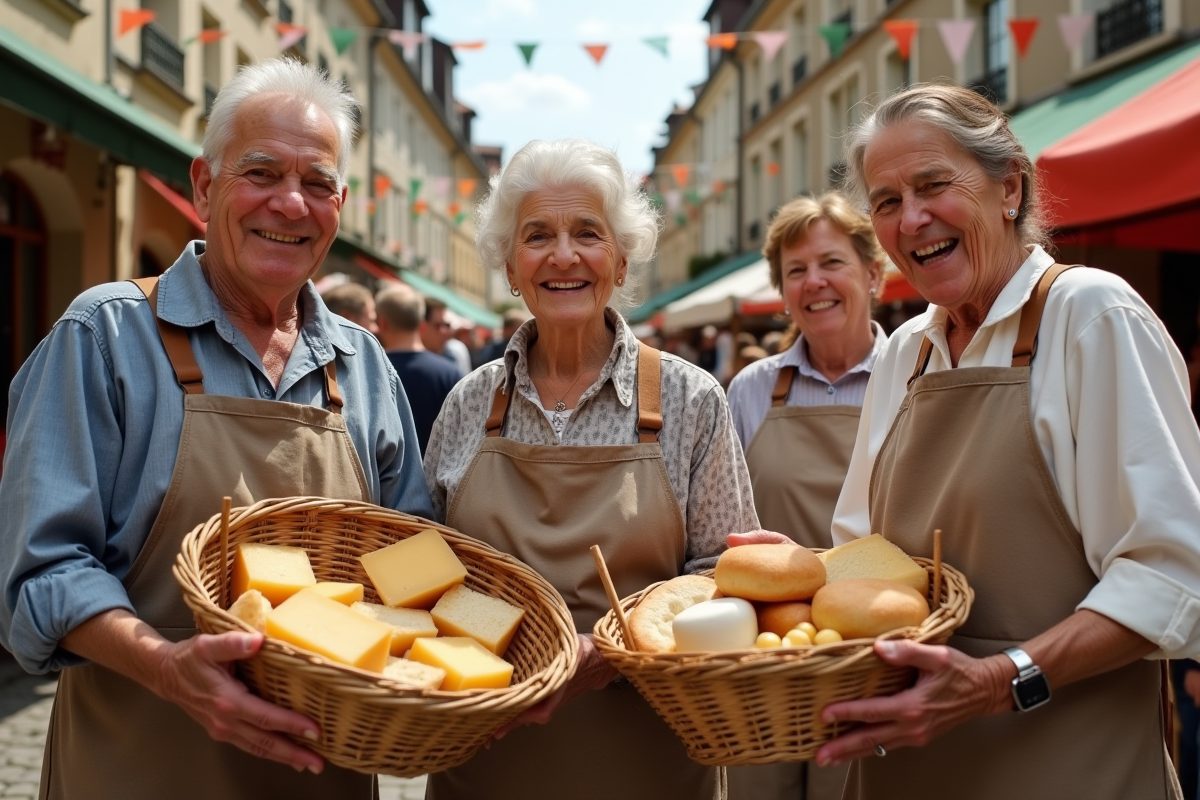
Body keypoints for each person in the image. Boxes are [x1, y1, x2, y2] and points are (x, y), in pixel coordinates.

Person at [0, 59, 434, 800]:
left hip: (321, 773)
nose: (291, 203)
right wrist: (169, 668)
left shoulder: (364, 365)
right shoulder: (105, 335)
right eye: (261, 173)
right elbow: (42, 574)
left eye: (318, 183)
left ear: (341, 204)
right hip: (137, 767)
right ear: (204, 185)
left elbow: (414, 556)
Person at [812, 82, 1200, 798]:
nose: (913, 218)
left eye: (933, 185)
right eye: (888, 200)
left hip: (1069, 765)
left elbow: (1174, 577)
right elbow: (857, 561)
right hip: (909, 770)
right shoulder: (906, 353)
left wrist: (996, 680)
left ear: (1009, 190)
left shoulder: (1089, 315)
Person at [422, 138, 759, 800]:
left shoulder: (691, 399)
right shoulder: (470, 401)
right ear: (511, 265)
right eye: (538, 235)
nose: (564, 255)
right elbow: (425, 564)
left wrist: (610, 650)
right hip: (484, 760)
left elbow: (725, 578)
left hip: (650, 762)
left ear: (621, 258)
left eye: (587, 233)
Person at [724, 193, 888, 800]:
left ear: (873, 272)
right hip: (768, 658)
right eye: (796, 271)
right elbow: (723, 524)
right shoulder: (752, 390)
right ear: (783, 290)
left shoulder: (916, 376)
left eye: (831, 263)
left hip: (875, 657)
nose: (813, 282)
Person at [375, 283, 463, 455]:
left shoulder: (369, 370)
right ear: (420, 325)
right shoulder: (450, 373)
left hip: (383, 479)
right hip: (436, 477)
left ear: (383, 323)